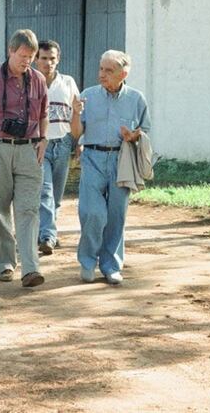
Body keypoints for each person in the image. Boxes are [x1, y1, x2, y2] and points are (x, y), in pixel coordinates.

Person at [0, 29, 49, 288]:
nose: (26, 61)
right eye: (22, 55)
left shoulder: (38, 79)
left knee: (29, 209)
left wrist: (43, 139)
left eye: (31, 56)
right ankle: (5, 262)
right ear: (10, 51)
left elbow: (43, 113)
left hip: (29, 149)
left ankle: (31, 268)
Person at [77, 50, 150, 285]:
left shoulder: (136, 99)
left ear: (123, 73)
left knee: (116, 215)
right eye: (101, 69)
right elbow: (76, 133)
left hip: (122, 161)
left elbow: (145, 131)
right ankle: (87, 261)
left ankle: (111, 266)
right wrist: (75, 115)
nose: (102, 75)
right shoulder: (87, 96)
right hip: (92, 158)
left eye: (109, 71)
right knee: (93, 213)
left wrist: (134, 136)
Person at [35, 40, 82, 255]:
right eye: (44, 58)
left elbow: (77, 114)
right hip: (39, 143)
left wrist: (78, 142)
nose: (48, 63)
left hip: (62, 142)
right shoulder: (30, 82)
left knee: (56, 193)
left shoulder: (68, 82)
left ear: (58, 59)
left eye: (52, 58)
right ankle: (48, 236)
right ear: (37, 59)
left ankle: (47, 231)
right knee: (44, 192)